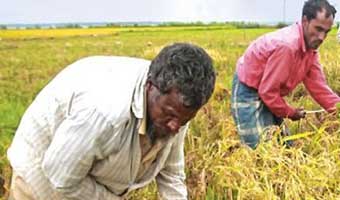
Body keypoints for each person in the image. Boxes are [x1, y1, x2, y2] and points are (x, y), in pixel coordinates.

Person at [7, 43, 216, 200]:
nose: (175, 127)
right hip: (42, 178)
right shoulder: (105, 112)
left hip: (90, 176)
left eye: (185, 120)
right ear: (150, 86)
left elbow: (171, 174)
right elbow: (60, 179)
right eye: (169, 115)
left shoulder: (177, 108)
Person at [231, 0, 340, 149]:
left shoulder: (310, 51)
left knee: (285, 146)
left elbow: (319, 88)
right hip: (249, 89)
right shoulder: (288, 47)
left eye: (326, 32)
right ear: (305, 20)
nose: (321, 37)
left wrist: (338, 109)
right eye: (318, 29)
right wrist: (291, 112)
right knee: (261, 150)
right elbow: (267, 92)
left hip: (269, 90)